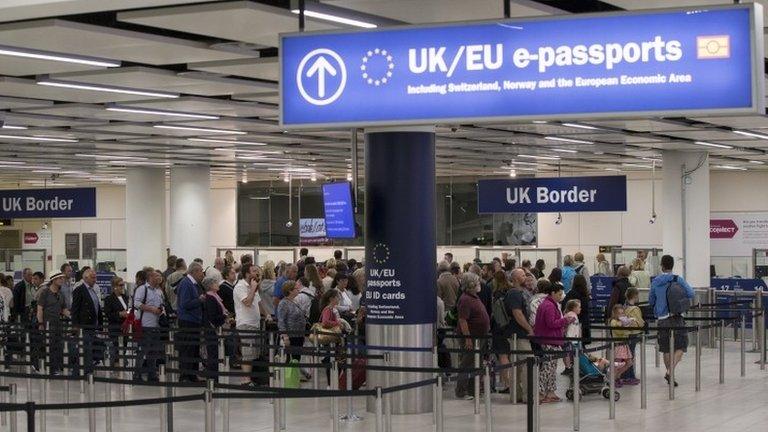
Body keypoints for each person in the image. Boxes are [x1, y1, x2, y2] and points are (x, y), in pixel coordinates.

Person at [649, 255, 694, 387]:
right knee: (681, 346)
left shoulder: (656, 281)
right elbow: (691, 293)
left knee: (666, 349)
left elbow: (651, 300)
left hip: (662, 319)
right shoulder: (678, 279)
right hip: (677, 317)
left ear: (661, 265)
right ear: (672, 265)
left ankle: (670, 373)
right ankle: (670, 371)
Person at [533, 281, 575, 403]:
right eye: (559, 293)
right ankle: (540, 392)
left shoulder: (549, 304)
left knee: (552, 367)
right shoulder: (549, 306)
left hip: (552, 339)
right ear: (552, 293)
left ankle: (550, 392)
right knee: (547, 367)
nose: (561, 296)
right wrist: (565, 320)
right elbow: (551, 323)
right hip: (549, 340)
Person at [455, 272, 490, 400]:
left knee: (476, 363)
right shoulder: (465, 299)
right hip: (471, 338)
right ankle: (461, 390)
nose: (479, 284)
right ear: (470, 284)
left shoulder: (474, 297)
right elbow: (463, 320)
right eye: (476, 282)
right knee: (467, 363)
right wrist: (468, 338)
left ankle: (472, 390)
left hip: (479, 337)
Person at [234, 263, 268, 387]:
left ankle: (255, 378)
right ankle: (245, 379)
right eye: (254, 271)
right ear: (247, 273)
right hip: (245, 323)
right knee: (248, 352)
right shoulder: (240, 287)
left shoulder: (252, 285)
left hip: (255, 323)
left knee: (255, 352)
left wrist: (267, 314)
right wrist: (253, 288)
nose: (257, 273)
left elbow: (258, 303)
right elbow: (247, 302)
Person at [504, 268, 534, 401]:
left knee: (518, 366)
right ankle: (528, 395)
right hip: (518, 334)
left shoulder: (520, 293)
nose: (525, 277)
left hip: (519, 334)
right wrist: (529, 329)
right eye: (522, 275)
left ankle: (516, 395)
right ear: (515, 279)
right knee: (528, 362)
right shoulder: (514, 294)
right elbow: (517, 313)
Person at [133, 269, 166, 382]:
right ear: (151, 277)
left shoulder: (159, 291)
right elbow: (136, 303)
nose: (160, 278)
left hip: (156, 325)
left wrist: (161, 310)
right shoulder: (142, 289)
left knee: (154, 351)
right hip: (145, 325)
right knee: (142, 350)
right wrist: (151, 309)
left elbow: (162, 304)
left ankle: (152, 374)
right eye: (157, 276)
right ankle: (137, 374)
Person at [176, 262, 206, 382]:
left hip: (195, 321)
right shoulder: (186, 284)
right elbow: (185, 304)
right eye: (200, 271)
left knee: (194, 349)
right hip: (187, 321)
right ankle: (184, 376)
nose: (202, 274)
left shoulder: (195, 285)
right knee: (187, 349)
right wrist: (199, 300)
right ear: (194, 272)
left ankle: (192, 375)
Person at [37, 271, 70, 374]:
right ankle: (47, 368)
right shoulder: (45, 292)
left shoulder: (61, 294)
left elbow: (64, 310)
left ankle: (56, 367)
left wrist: (73, 316)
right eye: (60, 278)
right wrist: (41, 324)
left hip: (58, 325)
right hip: (47, 324)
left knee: (57, 346)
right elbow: (40, 310)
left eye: (62, 278)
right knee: (48, 346)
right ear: (54, 280)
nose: (62, 280)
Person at [70, 268, 101, 374]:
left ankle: (86, 370)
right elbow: (75, 309)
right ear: (85, 278)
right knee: (84, 349)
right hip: (84, 325)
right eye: (93, 277)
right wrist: (75, 325)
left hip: (93, 325)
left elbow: (97, 307)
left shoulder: (93, 290)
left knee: (89, 348)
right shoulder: (79, 290)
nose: (95, 279)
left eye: (95, 277)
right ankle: (79, 371)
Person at [201, 275, 227, 375]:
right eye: (216, 282)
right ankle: (213, 376)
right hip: (212, 329)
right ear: (210, 286)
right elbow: (213, 316)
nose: (218, 284)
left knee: (216, 352)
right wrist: (224, 317)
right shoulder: (210, 298)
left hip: (215, 328)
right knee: (213, 353)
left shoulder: (215, 296)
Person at [619, 288, 644, 384]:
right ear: (635, 296)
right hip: (633, 333)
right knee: (631, 355)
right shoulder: (635, 309)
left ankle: (625, 375)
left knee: (627, 355)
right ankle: (629, 376)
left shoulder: (624, 307)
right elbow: (639, 322)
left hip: (625, 333)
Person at [277, 281, 307, 362]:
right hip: (291, 336)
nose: (298, 290)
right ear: (290, 291)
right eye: (296, 289)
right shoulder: (283, 303)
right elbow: (281, 321)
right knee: (290, 359)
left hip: (299, 335)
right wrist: (285, 336)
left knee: (296, 358)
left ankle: (294, 374)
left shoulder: (295, 301)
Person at [607, 305, 637, 386]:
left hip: (624, 345)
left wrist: (629, 323)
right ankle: (612, 379)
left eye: (622, 313)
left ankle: (617, 376)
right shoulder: (613, 321)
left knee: (629, 362)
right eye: (619, 313)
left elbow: (628, 332)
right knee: (617, 364)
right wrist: (623, 325)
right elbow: (618, 330)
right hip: (618, 345)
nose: (621, 315)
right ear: (615, 314)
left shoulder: (624, 322)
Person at [103, 276, 129, 366]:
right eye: (120, 285)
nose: (122, 287)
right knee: (116, 347)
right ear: (114, 286)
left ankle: (120, 363)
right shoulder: (109, 299)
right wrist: (119, 314)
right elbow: (108, 314)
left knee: (124, 346)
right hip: (115, 327)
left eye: (123, 285)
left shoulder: (125, 297)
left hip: (125, 326)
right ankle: (116, 364)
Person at [563, 274, 591, 346]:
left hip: (573, 322)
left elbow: (564, 305)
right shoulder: (585, 294)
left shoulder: (570, 293)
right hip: (584, 321)